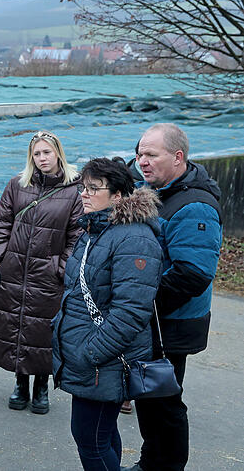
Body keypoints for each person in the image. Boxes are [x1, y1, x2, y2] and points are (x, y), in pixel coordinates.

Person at [52, 158, 163, 470]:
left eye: (93, 189)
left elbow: (131, 311)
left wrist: (91, 353)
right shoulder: (96, 229)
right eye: (83, 188)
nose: (84, 195)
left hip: (105, 360)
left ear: (117, 196)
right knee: (101, 434)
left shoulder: (134, 237)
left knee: (90, 438)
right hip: (92, 357)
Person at [128, 123, 222, 471]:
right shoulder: (158, 190)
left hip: (170, 322)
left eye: (151, 154)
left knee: (164, 401)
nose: (142, 162)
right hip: (152, 319)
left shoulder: (193, 206)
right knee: (148, 397)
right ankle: (150, 461)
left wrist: (141, 306)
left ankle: (163, 465)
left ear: (178, 157)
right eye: (139, 154)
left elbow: (192, 274)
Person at [0, 130, 83, 414]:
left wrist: (60, 267)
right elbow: (0, 223)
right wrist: (2, 257)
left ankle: (41, 386)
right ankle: (20, 382)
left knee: (43, 330)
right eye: (36, 154)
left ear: (58, 154)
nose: (41, 158)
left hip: (49, 275)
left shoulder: (73, 191)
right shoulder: (17, 185)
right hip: (15, 272)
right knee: (17, 326)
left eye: (46, 152)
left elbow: (77, 235)